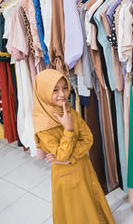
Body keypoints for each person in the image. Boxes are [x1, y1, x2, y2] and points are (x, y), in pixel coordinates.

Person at [32, 69, 115, 224]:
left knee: (91, 203)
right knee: (76, 212)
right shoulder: (43, 125)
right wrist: (68, 130)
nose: (62, 94)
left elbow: (88, 139)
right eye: (55, 90)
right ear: (43, 92)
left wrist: (70, 158)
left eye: (64, 87)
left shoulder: (68, 111)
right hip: (66, 178)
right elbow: (61, 154)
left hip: (83, 167)